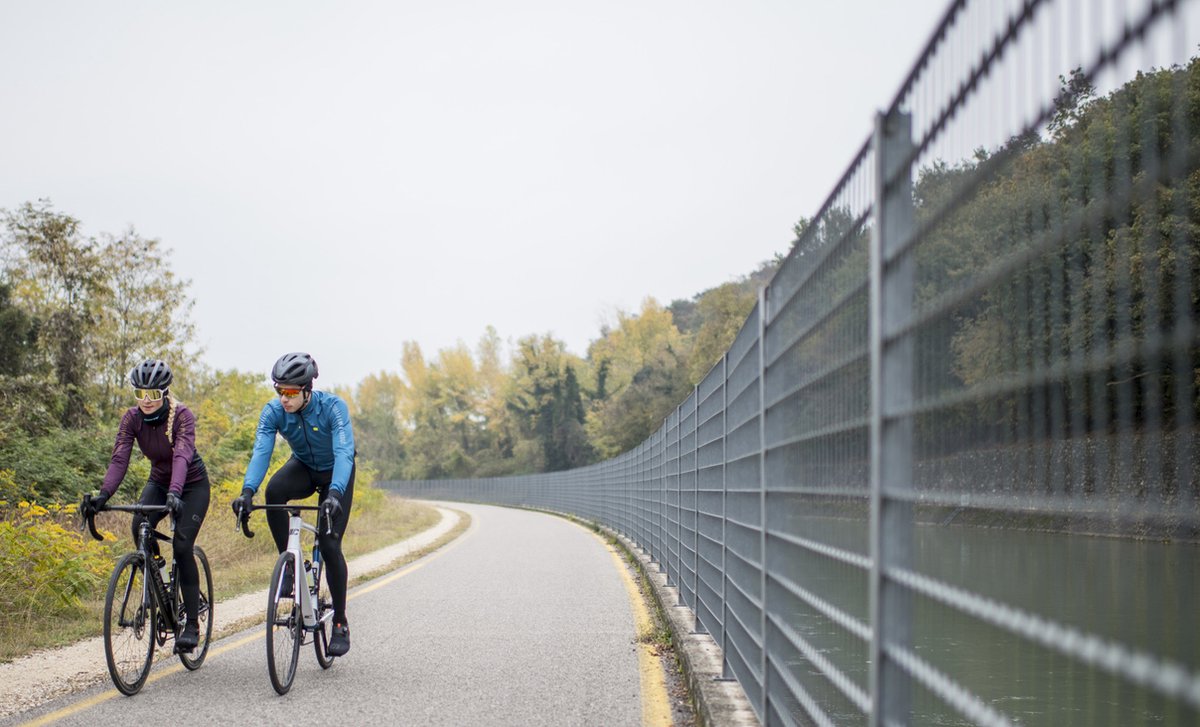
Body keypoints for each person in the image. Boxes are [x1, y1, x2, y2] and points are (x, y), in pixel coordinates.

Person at [232, 352, 356, 657]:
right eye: (279, 390)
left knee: (330, 544)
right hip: (303, 467)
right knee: (274, 491)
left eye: (290, 392)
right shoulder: (273, 411)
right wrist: (247, 491)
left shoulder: (333, 407)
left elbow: (344, 452)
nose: (283, 398)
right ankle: (289, 564)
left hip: (335, 473)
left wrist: (335, 494)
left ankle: (340, 621)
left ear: (307, 390)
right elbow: (261, 451)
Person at [81, 359, 210, 651]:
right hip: (159, 482)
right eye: (140, 394)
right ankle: (159, 577)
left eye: (152, 395)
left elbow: (182, 455)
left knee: (182, 546)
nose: (146, 401)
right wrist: (103, 495)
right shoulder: (131, 418)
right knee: (138, 525)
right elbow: (119, 458)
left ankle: (191, 625)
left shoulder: (182, 416)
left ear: (165, 393)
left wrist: (175, 492)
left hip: (192, 485)